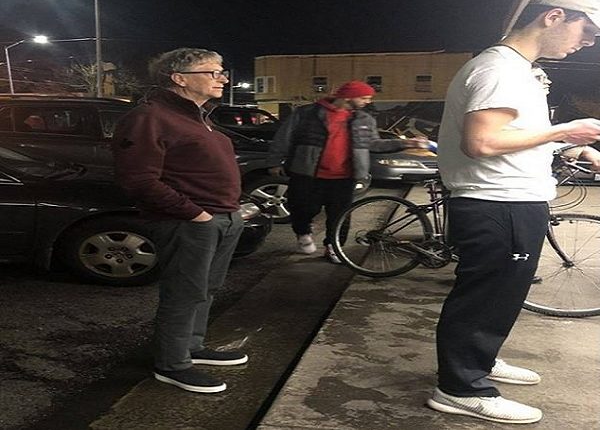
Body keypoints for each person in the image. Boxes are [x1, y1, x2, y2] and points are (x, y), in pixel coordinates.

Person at [427, 0, 600, 424]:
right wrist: (565, 131)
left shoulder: (518, 69)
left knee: (501, 295)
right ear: (554, 16)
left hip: (510, 200)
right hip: (497, 203)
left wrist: (569, 147)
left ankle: (478, 360)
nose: (589, 42)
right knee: (484, 296)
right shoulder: (499, 69)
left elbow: (513, 137)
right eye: (587, 29)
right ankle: (460, 387)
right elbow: (482, 142)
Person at [113, 48, 247, 394]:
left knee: (206, 289)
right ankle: (172, 364)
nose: (223, 79)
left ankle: (192, 346)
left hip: (222, 217)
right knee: (184, 293)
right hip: (189, 222)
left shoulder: (199, 117)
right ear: (179, 78)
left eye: (222, 71)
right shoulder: (150, 117)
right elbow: (139, 180)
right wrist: (196, 214)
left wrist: (231, 211)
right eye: (213, 72)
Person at [266, 80, 423, 263]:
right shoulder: (307, 113)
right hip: (307, 173)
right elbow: (284, 138)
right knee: (303, 209)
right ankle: (303, 233)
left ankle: (334, 247)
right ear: (348, 97)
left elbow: (373, 144)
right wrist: (274, 161)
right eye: (364, 97)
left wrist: (405, 143)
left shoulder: (364, 119)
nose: (368, 101)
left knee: (340, 215)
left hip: (345, 177)